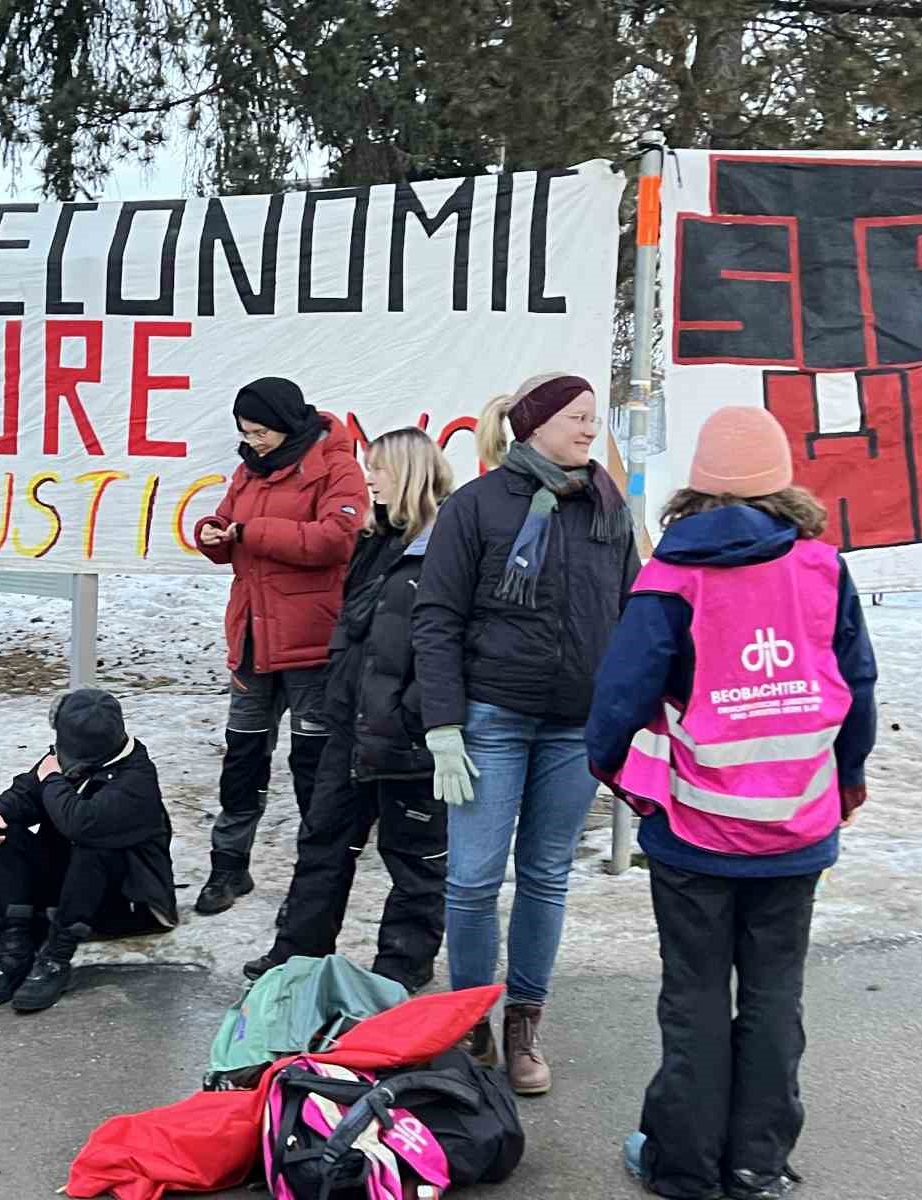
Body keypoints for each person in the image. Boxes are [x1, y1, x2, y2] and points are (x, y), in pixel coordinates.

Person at [585, 407, 877, 1200]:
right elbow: (858, 687)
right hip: (797, 828)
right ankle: (757, 1164)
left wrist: (628, 784)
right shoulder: (822, 567)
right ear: (781, 480)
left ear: (698, 485)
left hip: (694, 833)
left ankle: (681, 1167)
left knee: (695, 999)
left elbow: (617, 702)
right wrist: (841, 782)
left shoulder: (671, 577)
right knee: (776, 998)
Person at [413, 373, 639, 1096]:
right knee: (475, 879)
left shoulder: (608, 504)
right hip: (493, 720)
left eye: (592, 418)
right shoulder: (476, 506)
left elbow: (633, 612)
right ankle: (470, 1020)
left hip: (576, 728)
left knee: (545, 877)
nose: (588, 429)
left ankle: (524, 1025)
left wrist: (626, 711)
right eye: (577, 417)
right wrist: (444, 725)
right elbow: (437, 618)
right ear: (535, 425)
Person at [242, 427, 452, 992]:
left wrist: (414, 716)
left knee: (414, 862)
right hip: (353, 727)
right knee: (323, 842)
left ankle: (398, 976)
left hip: (410, 738)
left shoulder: (449, 547)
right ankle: (296, 958)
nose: (369, 478)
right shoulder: (374, 542)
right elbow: (356, 634)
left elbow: (448, 645)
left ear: (407, 473)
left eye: (378, 468)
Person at [192, 376, 367, 916]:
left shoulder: (336, 465)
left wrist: (248, 532)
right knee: (243, 757)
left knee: (313, 764)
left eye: (261, 430)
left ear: (288, 423)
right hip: (251, 638)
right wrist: (213, 532)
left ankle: (314, 880)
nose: (253, 440)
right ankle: (229, 867)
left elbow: (336, 540)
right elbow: (230, 522)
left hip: (311, 642)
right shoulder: (250, 469)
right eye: (245, 431)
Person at [0, 689, 177, 1014]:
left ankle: (56, 956)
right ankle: (15, 948)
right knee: (12, 833)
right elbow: (27, 791)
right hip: (72, 888)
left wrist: (52, 778)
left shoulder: (137, 782)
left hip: (131, 903)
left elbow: (79, 823)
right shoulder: (72, 758)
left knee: (93, 847)